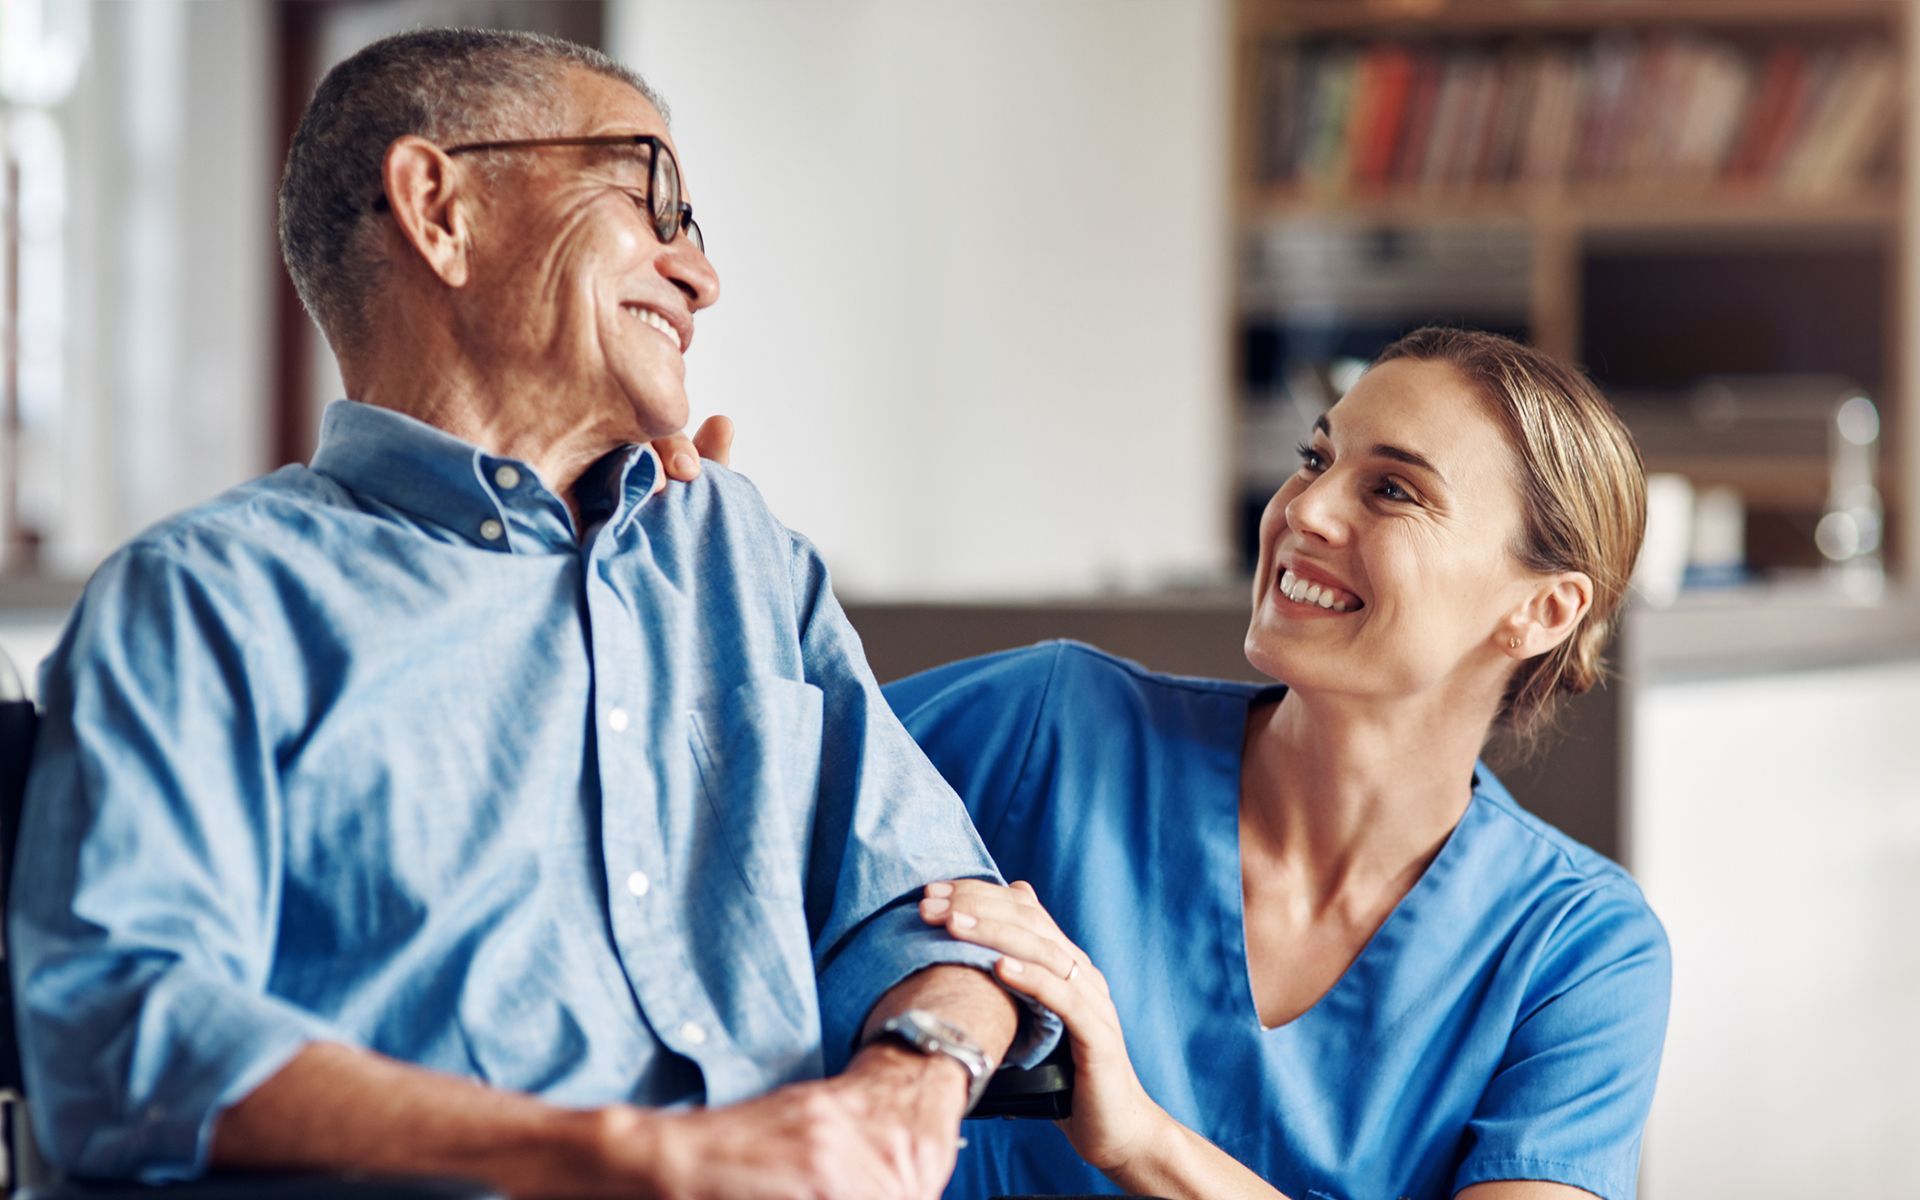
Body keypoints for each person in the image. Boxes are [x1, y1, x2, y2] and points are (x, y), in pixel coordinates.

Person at [8, 28, 1054, 1200]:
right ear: (439, 209)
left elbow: (940, 920)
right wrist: (627, 1157)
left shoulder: (740, 559)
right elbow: (120, 1033)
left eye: (691, 232)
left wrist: (907, 1083)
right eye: (647, 197)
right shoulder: (209, 601)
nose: (699, 275)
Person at [691, 328, 1668, 1199]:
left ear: (1540, 611)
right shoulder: (1048, 728)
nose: (1305, 508)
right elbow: (711, 802)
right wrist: (698, 586)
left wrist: (1141, 1142)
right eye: (1315, 457)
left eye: (1393, 490)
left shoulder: (1578, 950)